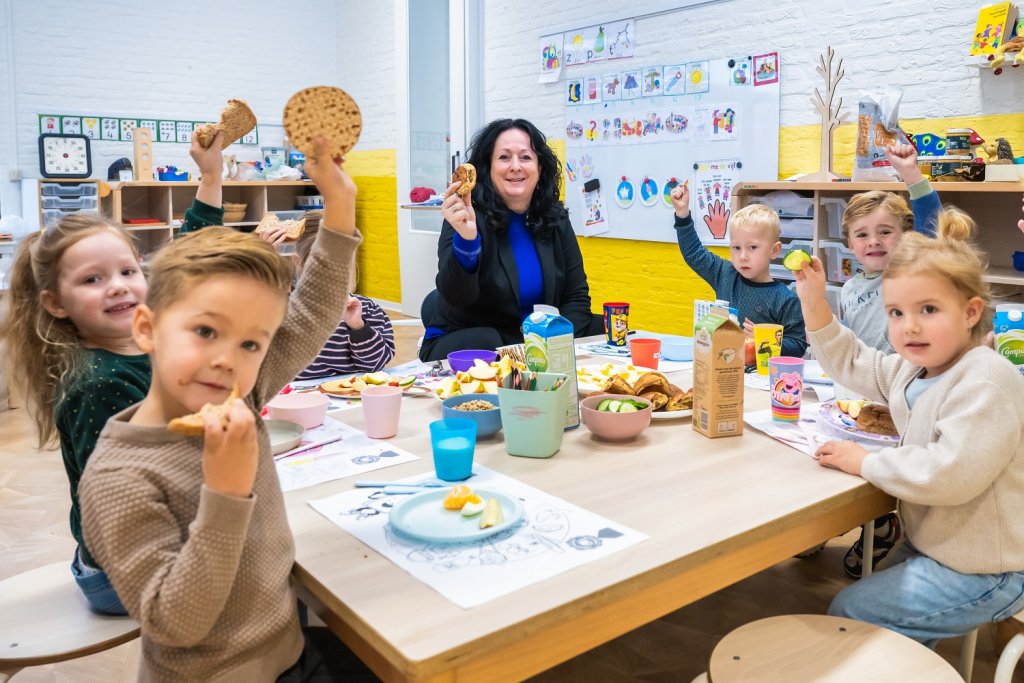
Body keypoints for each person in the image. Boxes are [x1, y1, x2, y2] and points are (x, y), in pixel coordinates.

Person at [79, 136, 364, 680]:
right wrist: (227, 492)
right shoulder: (118, 477)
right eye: (205, 330)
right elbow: (173, 623)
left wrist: (339, 203)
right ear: (147, 327)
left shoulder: (241, 394)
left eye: (251, 343)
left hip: (292, 652)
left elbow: (312, 310)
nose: (226, 360)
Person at [0, 130, 228, 616]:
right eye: (92, 279)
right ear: (55, 304)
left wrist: (210, 175)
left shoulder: (149, 328)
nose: (119, 288)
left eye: (128, 271)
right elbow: (117, 509)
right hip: (121, 566)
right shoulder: (100, 382)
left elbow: (193, 252)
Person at [792, 212, 1024, 649]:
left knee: (852, 613)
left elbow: (947, 472)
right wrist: (813, 300)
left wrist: (866, 461)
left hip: (990, 567)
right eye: (895, 313)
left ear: (972, 312)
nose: (909, 326)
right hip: (938, 546)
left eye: (929, 310)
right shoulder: (916, 368)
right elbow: (854, 361)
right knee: (882, 624)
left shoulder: (985, 380)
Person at [833, 143, 951, 578]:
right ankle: (824, 525)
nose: (874, 241)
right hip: (854, 390)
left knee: (882, 471)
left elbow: (932, 227)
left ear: (905, 238)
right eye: (862, 234)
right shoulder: (847, 287)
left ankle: (880, 527)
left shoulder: (909, 274)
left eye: (886, 231)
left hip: (897, 394)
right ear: (849, 242)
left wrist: (912, 176)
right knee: (841, 459)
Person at [419, 118, 602, 361]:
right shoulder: (465, 216)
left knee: (604, 329)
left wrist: (555, 348)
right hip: (473, 338)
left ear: (540, 168)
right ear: (488, 168)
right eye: (504, 157)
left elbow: (576, 297)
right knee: (490, 343)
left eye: (525, 157)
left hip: (535, 342)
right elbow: (457, 297)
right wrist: (467, 240)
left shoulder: (555, 218)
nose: (515, 166)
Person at [670, 183, 807, 357]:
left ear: (774, 251)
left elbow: (798, 344)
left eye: (752, 247)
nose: (743, 256)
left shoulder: (785, 299)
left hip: (759, 378)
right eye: (736, 248)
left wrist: (764, 338)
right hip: (721, 367)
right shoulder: (724, 274)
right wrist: (682, 214)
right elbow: (693, 253)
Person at [260, 209, 395, 379]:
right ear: (298, 262)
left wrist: (358, 327)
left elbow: (377, 365)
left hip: (351, 401)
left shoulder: (366, 309)